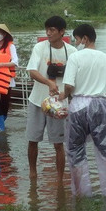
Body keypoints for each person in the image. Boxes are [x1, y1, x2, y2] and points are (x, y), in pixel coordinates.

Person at [59, 23, 106, 198]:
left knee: (76, 153)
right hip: (100, 105)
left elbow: (69, 86)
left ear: (85, 39)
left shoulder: (75, 57)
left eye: (77, 39)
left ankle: (81, 194)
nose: (76, 42)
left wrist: (61, 96)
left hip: (78, 105)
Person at [26, 15, 71, 180]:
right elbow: (32, 71)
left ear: (61, 32)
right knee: (32, 139)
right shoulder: (39, 47)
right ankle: (33, 173)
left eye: (52, 30)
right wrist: (48, 83)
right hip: (37, 101)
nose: (48, 33)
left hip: (58, 104)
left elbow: (74, 80)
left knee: (59, 144)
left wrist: (65, 93)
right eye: (47, 30)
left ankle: (59, 179)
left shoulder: (71, 51)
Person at [0, 23, 18, 132]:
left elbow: (15, 62)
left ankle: (2, 121)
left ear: (4, 35)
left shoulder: (11, 46)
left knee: (5, 103)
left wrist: (1, 65)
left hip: (7, 79)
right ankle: (1, 127)